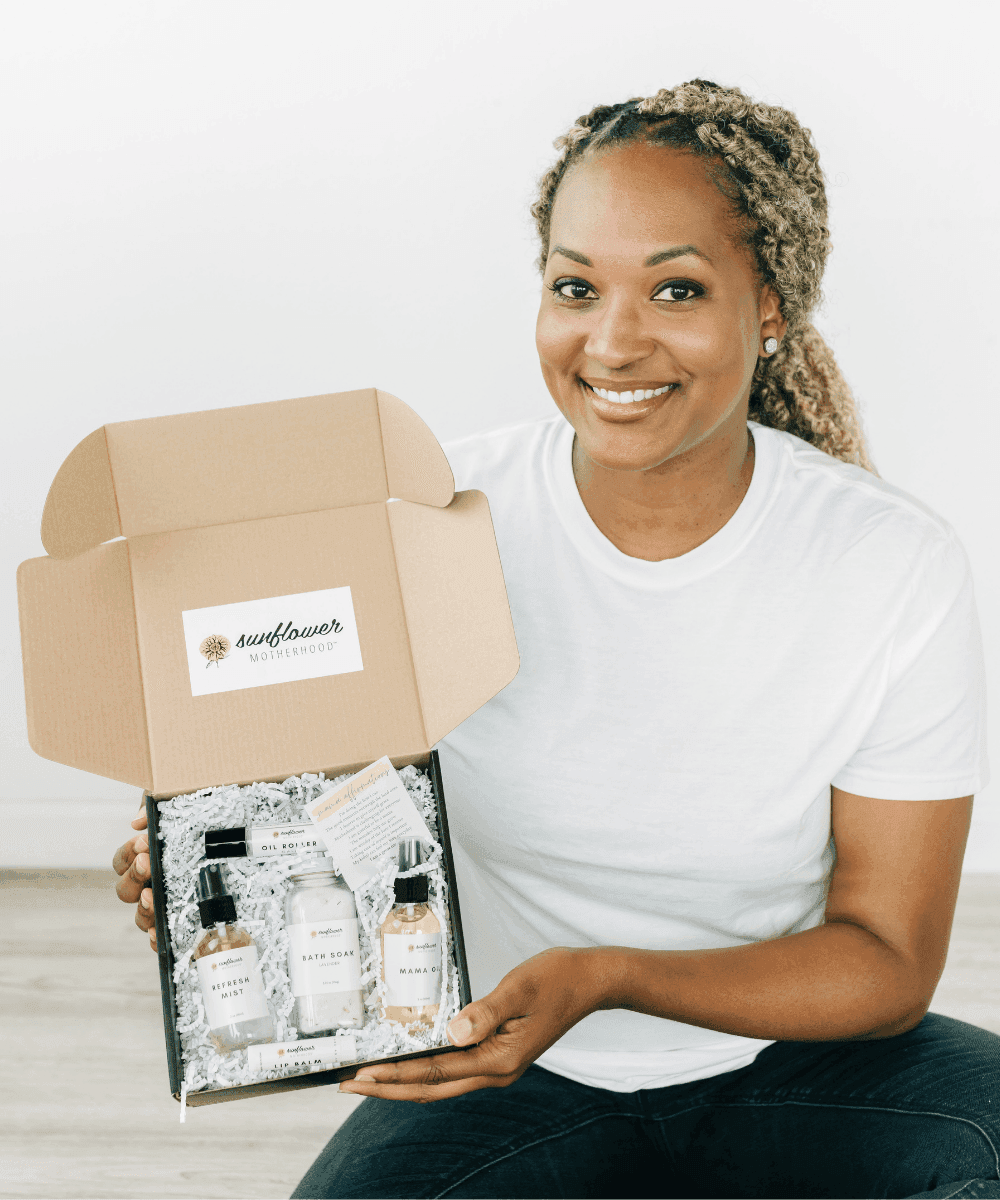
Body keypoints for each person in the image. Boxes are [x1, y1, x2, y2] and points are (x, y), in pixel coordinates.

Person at [113, 80, 997, 1199]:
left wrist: (607, 977)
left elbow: (884, 960)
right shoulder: (432, 523)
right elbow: (326, 794)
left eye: (676, 288)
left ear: (769, 307)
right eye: (574, 287)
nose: (613, 343)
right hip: (504, 1071)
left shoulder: (889, 563)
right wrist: (214, 855)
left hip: (795, 1064)